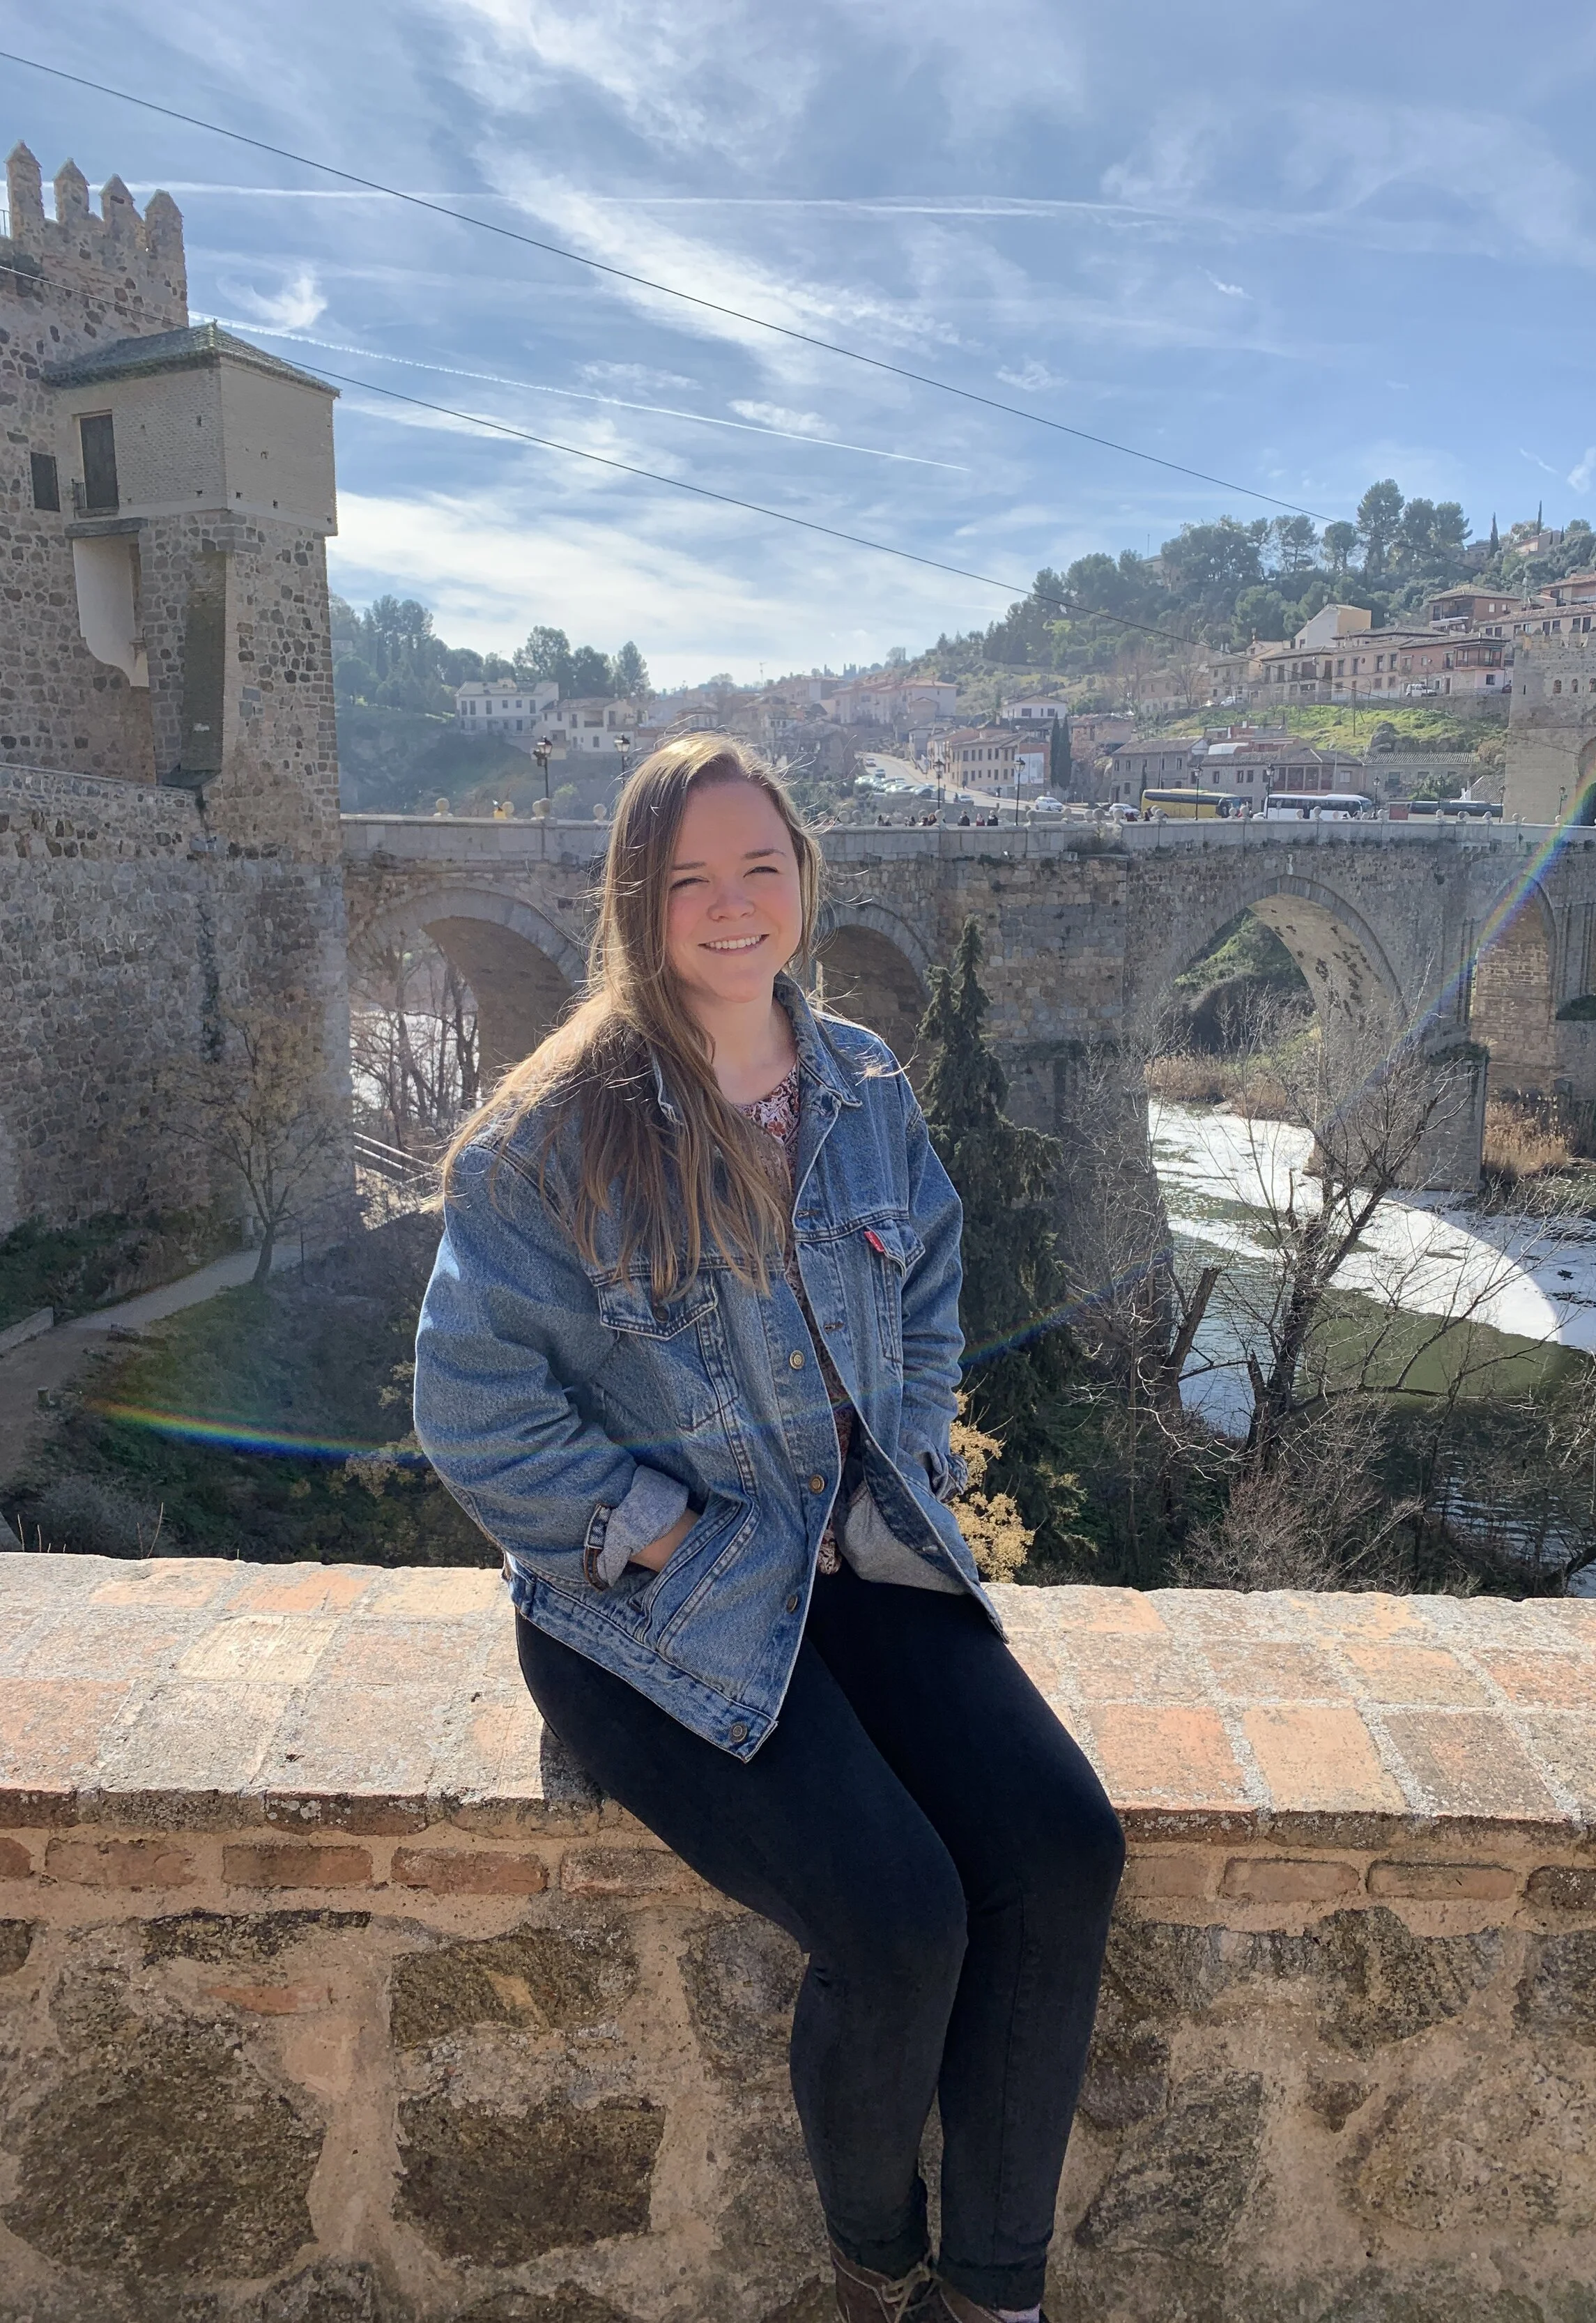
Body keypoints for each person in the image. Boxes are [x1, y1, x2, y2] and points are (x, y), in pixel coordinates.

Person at [414, 736, 1124, 2323]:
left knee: (1064, 1852)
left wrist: (912, 1457)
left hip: (849, 1557)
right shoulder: (550, 1136)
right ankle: (874, 2257)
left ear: (802, 876)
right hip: (644, 1610)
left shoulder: (861, 1082)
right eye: (689, 880)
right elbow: (471, 1409)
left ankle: (988, 2293)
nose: (731, 906)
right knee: (898, 1919)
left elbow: (926, 1283)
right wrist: (663, 1537)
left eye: (760, 866)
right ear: (638, 903)